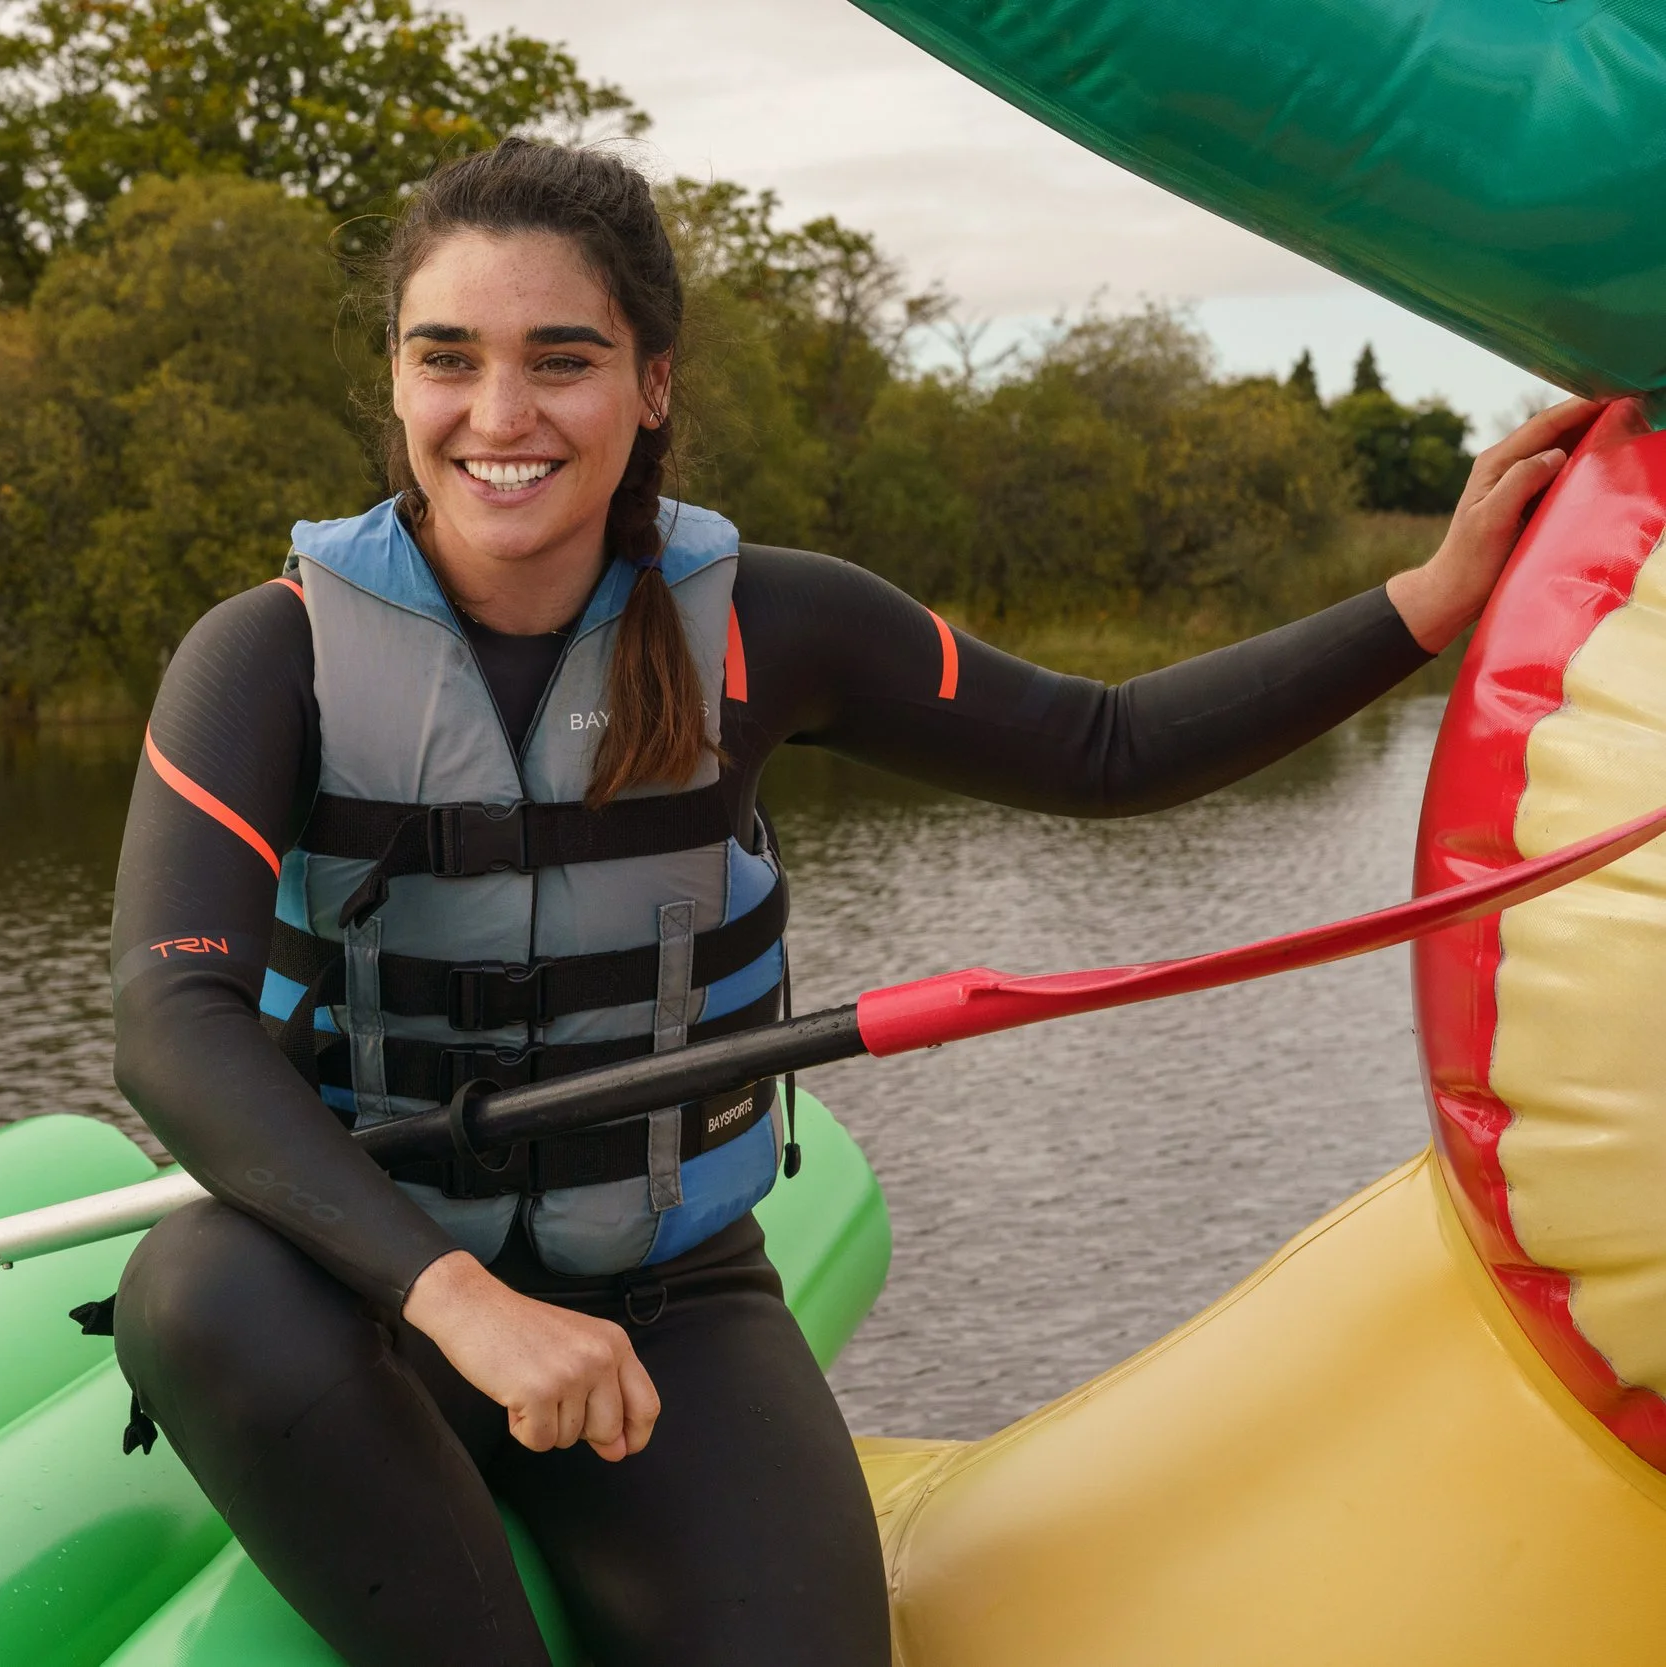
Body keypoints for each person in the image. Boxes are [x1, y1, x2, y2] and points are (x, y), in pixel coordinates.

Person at [104, 136, 1598, 1667]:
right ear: (398, 382)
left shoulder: (769, 624)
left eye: (564, 359)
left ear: (654, 384)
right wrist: (466, 1303)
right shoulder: (266, 656)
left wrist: (1426, 600)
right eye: (449, 359)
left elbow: (1107, 746)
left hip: (670, 1300)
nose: (500, 416)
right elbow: (173, 1020)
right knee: (200, 1285)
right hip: (379, 1306)